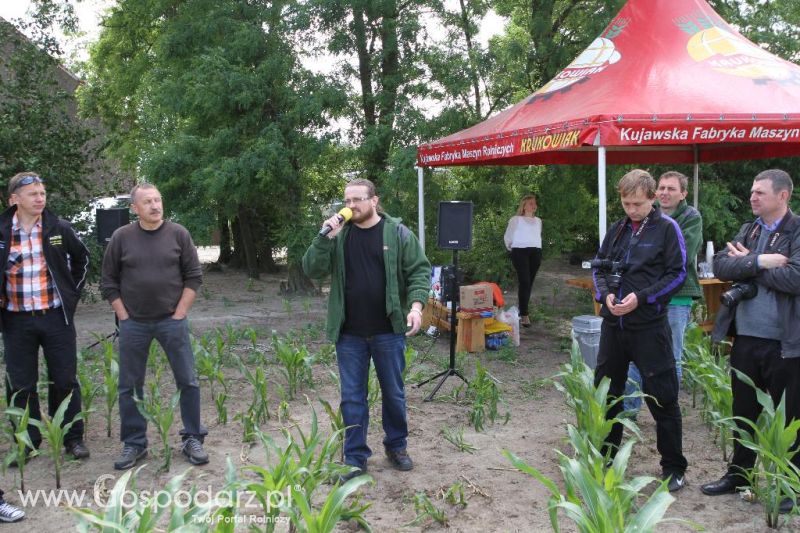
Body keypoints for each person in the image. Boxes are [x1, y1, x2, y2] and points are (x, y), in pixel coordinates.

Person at [302, 178, 430, 481]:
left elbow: (419, 271)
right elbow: (311, 269)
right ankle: (355, 457)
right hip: (350, 334)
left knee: (394, 394)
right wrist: (324, 238)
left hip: (388, 331)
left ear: (374, 201)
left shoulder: (397, 233)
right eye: (347, 201)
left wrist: (415, 307)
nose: (351, 206)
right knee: (352, 397)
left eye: (357, 199)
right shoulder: (340, 236)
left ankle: (396, 446)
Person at [701, 169, 800, 513]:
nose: (752, 197)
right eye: (752, 191)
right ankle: (739, 475)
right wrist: (759, 259)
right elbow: (721, 266)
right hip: (745, 338)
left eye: (760, 192)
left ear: (783, 195)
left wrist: (749, 264)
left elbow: (796, 278)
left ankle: (792, 486)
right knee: (744, 413)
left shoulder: (797, 229)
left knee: (791, 419)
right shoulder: (751, 228)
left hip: (786, 343)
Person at [592, 169, 688, 492]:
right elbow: (599, 265)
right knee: (608, 394)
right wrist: (603, 293)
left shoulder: (667, 228)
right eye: (625, 202)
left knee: (663, 398)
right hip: (614, 326)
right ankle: (606, 458)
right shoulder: (617, 229)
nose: (630, 209)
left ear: (651, 198)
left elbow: (677, 274)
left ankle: (674, 467)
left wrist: (642, 298)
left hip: (648, 327)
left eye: (636, 204)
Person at [101, 183, 208, 470]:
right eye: (147, 202)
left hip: (171, 322)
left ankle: (192, 437)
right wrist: (123, 315)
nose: (155, 205)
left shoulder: (178, 234)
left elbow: (194, 277)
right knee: (129, 385)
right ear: (135, 208)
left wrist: (180, 312)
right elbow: (108, 281)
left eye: (158, 200)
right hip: (133, 323)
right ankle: (135, 443)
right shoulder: (121, 238)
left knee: (188, 380)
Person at [0, 172, 90, 462]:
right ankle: (27, 441)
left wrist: (71, 295)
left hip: (56, 318)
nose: (40, 198)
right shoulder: (2, 232)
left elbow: (82, 259)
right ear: (14, 199)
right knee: (21, 384)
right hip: (16, 320)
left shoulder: (58, 228)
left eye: (42, 193)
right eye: (33, 194)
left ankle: (72, 438)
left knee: (65, 379)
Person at [624, 171, 703, 412]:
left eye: (671, 189)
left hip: (676, 296)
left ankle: (668, 411)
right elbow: (632, 252)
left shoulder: (691, 217)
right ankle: (629, 411)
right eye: (662, 188)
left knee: (671, 356)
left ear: (683, 194)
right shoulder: (647, 215)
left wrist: (648, 260)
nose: (665, 193)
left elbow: (680, 257)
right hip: (645, 295)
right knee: (635, 354)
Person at [504, 194, 542, 327]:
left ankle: (522, 310)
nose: (534, 205)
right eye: (531, 203)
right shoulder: (515, 220)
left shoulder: (538, 221)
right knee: (524, 281)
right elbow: (508, 236)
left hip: (535, 252)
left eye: (535, 203)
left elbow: (537, 236)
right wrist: (511, 248)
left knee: (529, 283)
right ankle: (524, 314)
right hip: (520, 252)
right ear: (524, 205)